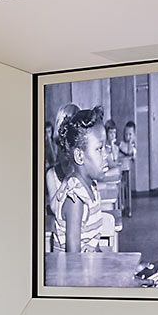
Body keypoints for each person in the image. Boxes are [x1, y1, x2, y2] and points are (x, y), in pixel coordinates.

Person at [49, 106, 118, 256]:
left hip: (87, 267)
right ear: (79, 156)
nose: (105, 154)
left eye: (105, 147)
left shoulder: (91, 187)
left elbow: (92, 244)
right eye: (99, 149)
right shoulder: (76, 199)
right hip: (72, 275)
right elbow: (73, 260)